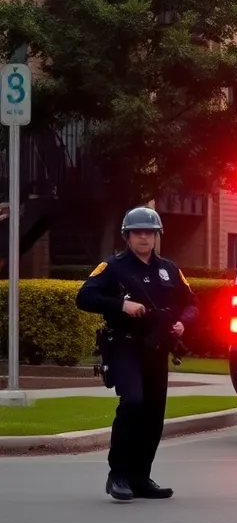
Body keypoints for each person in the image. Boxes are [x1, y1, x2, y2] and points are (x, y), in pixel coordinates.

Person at [76, 206, 199, 502]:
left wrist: (184, 322)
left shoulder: (169, 269)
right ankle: (117, 474)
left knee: (154, 414)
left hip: (157, 348)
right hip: (124, 345)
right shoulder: (114, 267)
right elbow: (85, 296)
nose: (143, 238)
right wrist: (121, 305)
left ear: (157, 236)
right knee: (133, 403)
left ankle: (141, 477)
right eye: (137, 232)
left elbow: (192, 303)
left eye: (149, 232)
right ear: (127, 236)